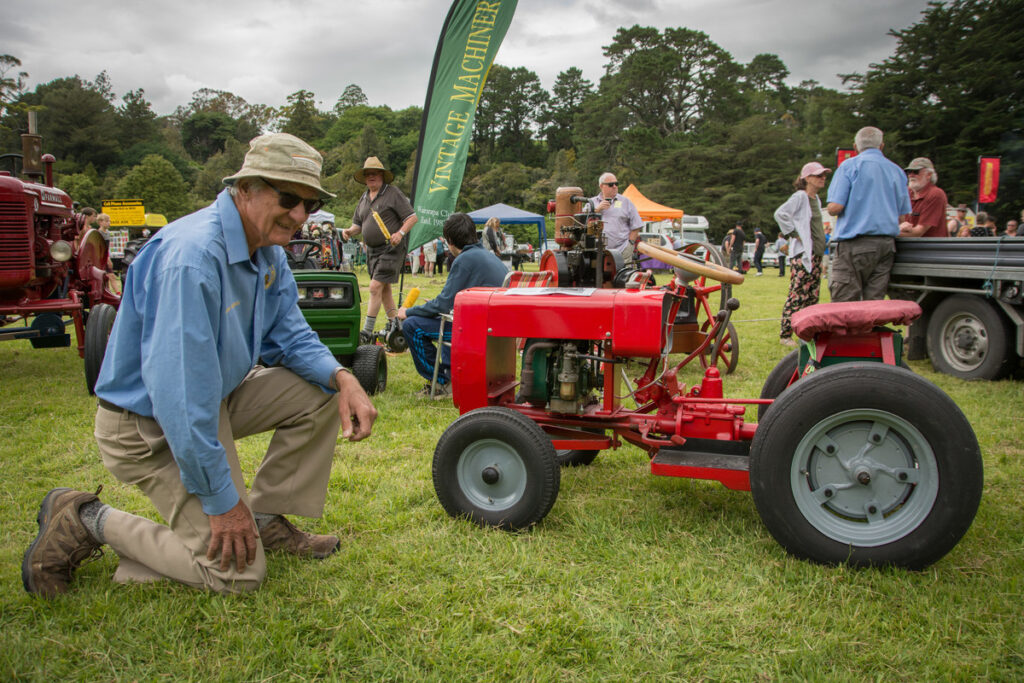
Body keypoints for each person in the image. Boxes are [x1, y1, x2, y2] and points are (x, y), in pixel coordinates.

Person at [21, 133, 378, 598]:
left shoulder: (267, 249)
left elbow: (290, 334)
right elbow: (181, 399)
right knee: (239, 576)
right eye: (288, 198)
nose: (299, 215)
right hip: (147, 428)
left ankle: (264, 521)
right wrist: (221, 503)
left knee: (320, 389)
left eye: (309, 205)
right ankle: (85, 519)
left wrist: (343, 376)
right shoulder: (193, 261)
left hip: (213, 403)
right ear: (245, 188)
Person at [397, 213, 508, 399]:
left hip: (474, 330)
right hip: (494, 327)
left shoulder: (464, 259)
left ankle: (443, 381)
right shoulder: (491, 258)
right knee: (443, 320)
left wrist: (407, 311)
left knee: (412, 326)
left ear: (449, 241)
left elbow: (442, 304)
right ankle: (449, 374)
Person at [825, 126, 911, 302]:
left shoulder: (849, 166)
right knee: (874, 303)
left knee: (845, 303)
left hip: (855, 244)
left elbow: (835, 207)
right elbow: (902, 217)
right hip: (886, 245)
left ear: (855, 147)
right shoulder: (897, 171)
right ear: (881, 146)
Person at [341, 157, 418, 343]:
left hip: (391, 247)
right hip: (372, 250)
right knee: (384, 291)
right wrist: (349, 231)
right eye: (368, 174)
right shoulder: (364, 197)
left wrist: (400, 233)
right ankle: (396, 327)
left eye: (374, 173)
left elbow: (412, 217)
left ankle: (366, 333)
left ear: (382, 175)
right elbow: (358, 225)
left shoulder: (392, 193)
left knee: (375, 287)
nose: (371, 177)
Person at [775, 161, 830, 346]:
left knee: (812, 296)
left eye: (824, 175)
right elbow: (780, 214)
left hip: (815, 255)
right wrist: (794, 234)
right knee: (798, 294)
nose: (823, 178)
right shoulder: (800, 196)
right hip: (803, 255)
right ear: (807, 178)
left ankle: (806, 333)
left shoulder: (816, 200)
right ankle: (785, 334)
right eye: (818, 175)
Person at [589, 172, 642, 259]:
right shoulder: (591, 203)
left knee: (623, 273)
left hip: (622, 251)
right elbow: (582, 222)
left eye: (616, 184)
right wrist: (597, 210)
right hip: (595, 253)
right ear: (601, 186)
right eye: (611, 184)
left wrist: (630, 245)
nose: (614, 186)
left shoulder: (626, 202)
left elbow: (637, 225)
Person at [899, 158, 949, 238]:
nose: (911, 175)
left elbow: (918, 232)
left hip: (931, 248)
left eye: (916, 172)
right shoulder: (906, 192)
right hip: (909, 246)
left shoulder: (936, 194)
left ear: (929, 175)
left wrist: (889, 233)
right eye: (909, 172)